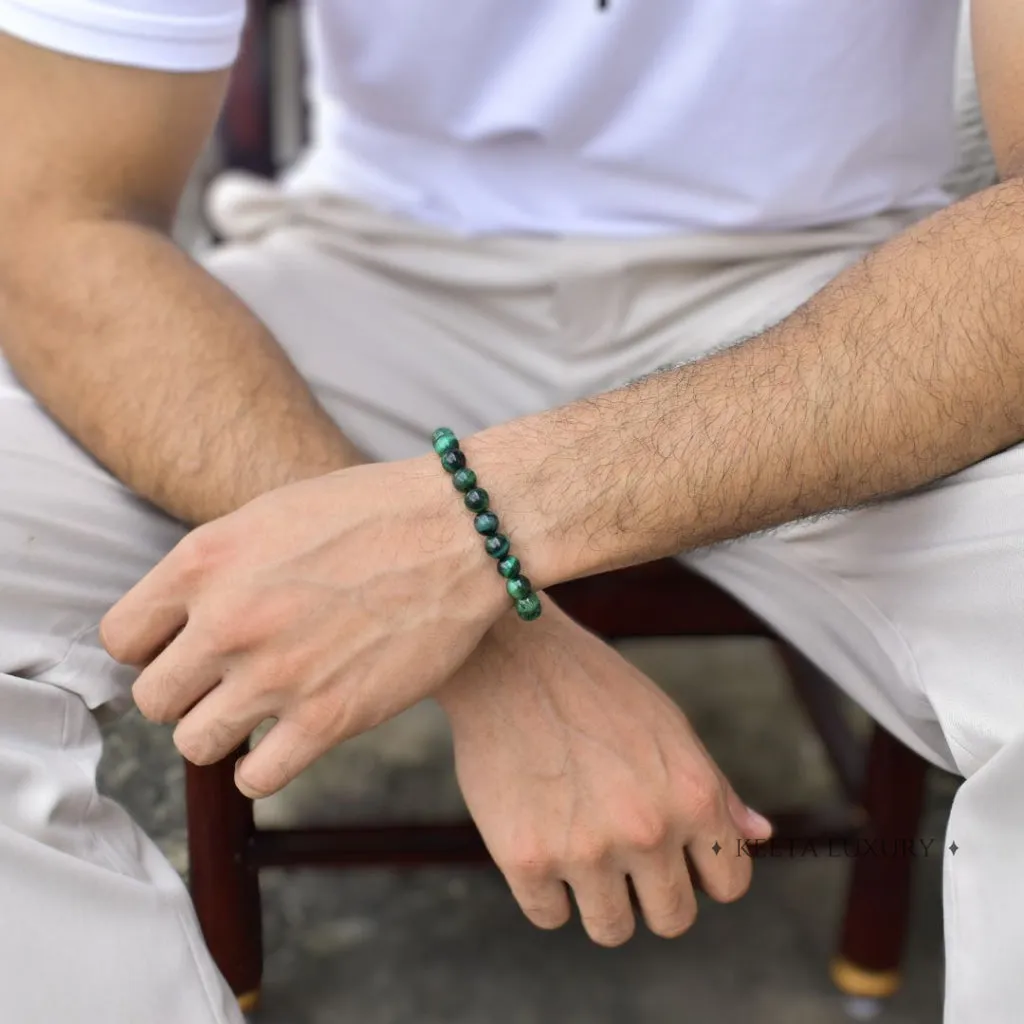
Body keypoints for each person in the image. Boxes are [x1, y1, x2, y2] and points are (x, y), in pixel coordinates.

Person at [0, 0, 1021, 1021]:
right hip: (364, 277)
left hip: (845, 306)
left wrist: (464, 538)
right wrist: (500, 650)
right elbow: (57, 216)